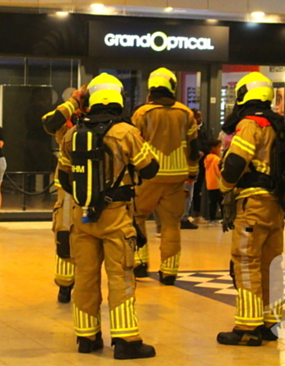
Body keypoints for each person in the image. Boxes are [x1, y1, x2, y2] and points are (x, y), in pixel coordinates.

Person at [57, 73, 160, 359]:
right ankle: (127, 341)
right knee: (121, 277)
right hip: (116, 217)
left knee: (86, 277)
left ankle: (86, 338)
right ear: (117, 98)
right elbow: (150, 169)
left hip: (82, 217)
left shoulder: (72, 133)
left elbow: (63, 178)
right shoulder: (125, 132)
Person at [216, 72, 285, 347]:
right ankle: (270, 323)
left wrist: (224, 187)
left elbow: (235, 163)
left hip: (252, 205)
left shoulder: (251, 124)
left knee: (246, 263)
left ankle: (247, 327)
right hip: (275, 206)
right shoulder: (277, 124)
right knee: (271, 265)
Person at [131, 68, 199, 285]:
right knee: (171, 224)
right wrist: (193, 171)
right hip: (176, 176)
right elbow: (193, 146)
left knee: (137, 216)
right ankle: (169, 272)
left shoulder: (142, 113)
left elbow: (132, 144)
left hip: (148, 175)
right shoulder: (186, 113)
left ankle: (140, 263)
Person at [41, 85, 86, 303]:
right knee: (65, 233)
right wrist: (73, 103)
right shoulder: (67, 116)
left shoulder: (107, 120)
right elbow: (49, 123)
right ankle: (65, 284)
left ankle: (84, 281)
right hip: (68, 188)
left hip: (97, 189)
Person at [186, 108, 210, 227]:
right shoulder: (188, 130)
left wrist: (203, 152)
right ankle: (186, 214)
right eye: (197, 117)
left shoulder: (203, 130)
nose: (199, 119)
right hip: (189, 164)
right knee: (188, 190)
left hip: (200, 163)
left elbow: (207, 144)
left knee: (197, 190)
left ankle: (197, 214)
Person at [204, 139, 223, 223]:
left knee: (212, 203)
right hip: (218, 184)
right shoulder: (216, 159)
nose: (220, 149)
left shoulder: (207, 159)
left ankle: (211, 218)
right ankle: (223, 218)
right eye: (219, 147)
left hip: (210, 184)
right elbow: (219, 172)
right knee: (221, 202)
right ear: (213, 148)